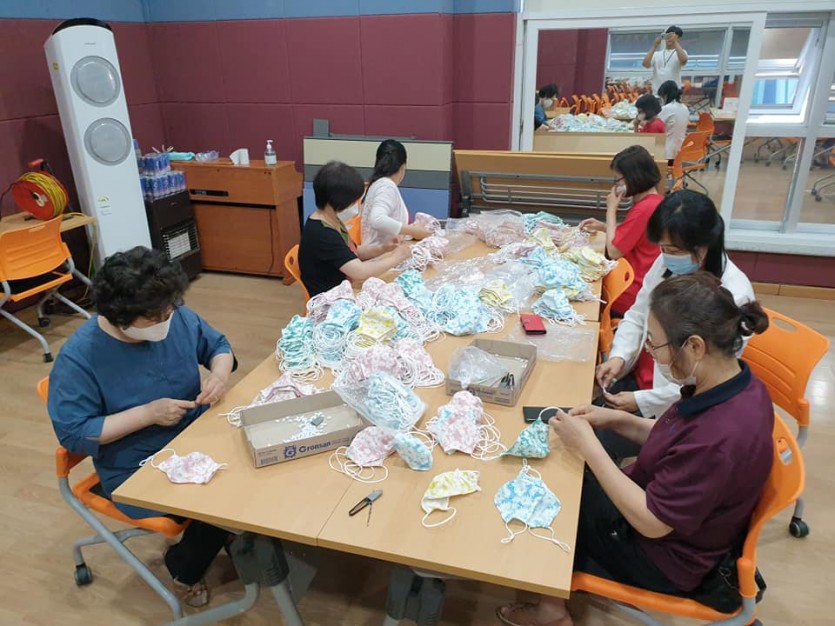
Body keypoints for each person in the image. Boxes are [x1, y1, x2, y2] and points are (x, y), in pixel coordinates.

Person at [497, 272, 774, 626]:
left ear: (695, 347)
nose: (651, 353)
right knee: (566, 466)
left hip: (664, 558)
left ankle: (551, 612)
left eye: (655, 344)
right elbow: (675, 439)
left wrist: (590, 449)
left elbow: (652, 523)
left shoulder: (721, 437)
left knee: (552, 487)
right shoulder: (735, 384)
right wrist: (615, 420)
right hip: (666, 515)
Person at [47, 246, 236, 607]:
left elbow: (218, 346)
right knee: (222, 502)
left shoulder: (172, 315)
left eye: (170, 309)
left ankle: (230, 537)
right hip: (135, 466)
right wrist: (147, 414)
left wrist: (218, 376)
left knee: (249, 466)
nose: (168, 319)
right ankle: (184, 568)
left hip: (193, 434)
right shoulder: (80, 358)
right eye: (155, 317)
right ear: (121, 318)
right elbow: (74, 432)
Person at [597, 189, 754, 421]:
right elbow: (638, 315)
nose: (666, 256)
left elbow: (708, 380)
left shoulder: (733, 296)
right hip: (642, 377)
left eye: (673, 251)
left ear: (704, 245)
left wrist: (642, 401)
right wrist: (618, 357)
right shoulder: (666, 264)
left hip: (677, 406)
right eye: (663, 248)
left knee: (594, 431)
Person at [299, 160, 411, 298]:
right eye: (352, 202)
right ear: (338, 201)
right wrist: (396, 258)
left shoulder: (331, 220)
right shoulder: (323, 234)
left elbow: (352, 252)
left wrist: (382, 248)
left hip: (344, 287)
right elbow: (360, 272)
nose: (354, 206)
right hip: (331, 299)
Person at [578, 146, 663, 316]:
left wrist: (611, 209)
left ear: (633, 178)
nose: (616, 185)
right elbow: (634, 237)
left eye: (618, 180)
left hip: (628, 293)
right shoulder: (655, 201)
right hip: (635, 285)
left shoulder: (644, 209)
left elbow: (614, 251)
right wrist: (604, 227)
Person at [360, 139, 434, 248]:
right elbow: (377, 220)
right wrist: (413, 231)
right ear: (403, 166)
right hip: (382, 255)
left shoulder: (377, 185)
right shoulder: (386, 186)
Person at [643, 26, 688, 94]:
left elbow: (683, 61)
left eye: (673, 36)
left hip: (674, 93)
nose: (670, 38)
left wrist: (675, 42)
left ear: (678, 38)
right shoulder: (657, 54)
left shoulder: (681, 52)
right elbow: (646, 64)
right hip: (657, 93)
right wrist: (655, 46)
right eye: (668, 36)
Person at [657, 80, 690, 164]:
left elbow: (655, 125)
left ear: (665, 95)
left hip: (667, 153)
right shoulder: (684, 107)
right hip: (680, 150)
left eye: (662, 97)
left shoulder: (667, 108)